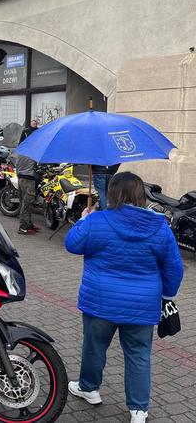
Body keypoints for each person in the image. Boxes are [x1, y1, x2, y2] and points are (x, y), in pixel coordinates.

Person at [65, 172, 183, 423]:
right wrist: (167, 295)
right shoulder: (159, 226)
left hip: (100, 302)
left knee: (94, 347)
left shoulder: (97, 221)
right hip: (142, 305)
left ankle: (89, 388)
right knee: (139, 354)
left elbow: (72, 244)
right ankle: (139, 410)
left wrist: (84, 220)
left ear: (114, 193)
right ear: (140, 195)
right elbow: (174, 267)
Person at [11, 152, 38, 235]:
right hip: (28, 180)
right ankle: (23, 227)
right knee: (27, 203)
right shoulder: (33, 153)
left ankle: (28, 224)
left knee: (25, 202)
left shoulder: (21, 151)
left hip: (21, 178)